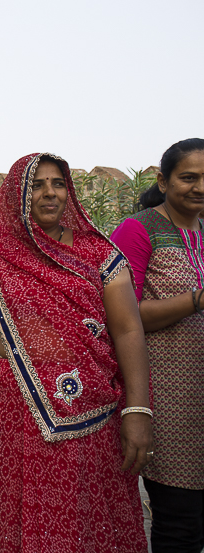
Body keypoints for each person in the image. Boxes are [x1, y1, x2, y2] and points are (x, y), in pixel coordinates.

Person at [0, 153, 152, 553]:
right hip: (8, 420)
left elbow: (127, 329)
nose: (49, 193)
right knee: (12, 514)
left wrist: (138, 409)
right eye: (37, 184)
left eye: (58, 183)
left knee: (83, 518)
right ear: (16, 193)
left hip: (91, 420)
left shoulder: (99, 255)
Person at [110, 138, 204, 553]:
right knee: (179, 525)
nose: (199, 186)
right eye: (189, 177)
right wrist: (196, 300)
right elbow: (120, 314)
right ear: (163, 181)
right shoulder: (140, 228)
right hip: (168, 402)